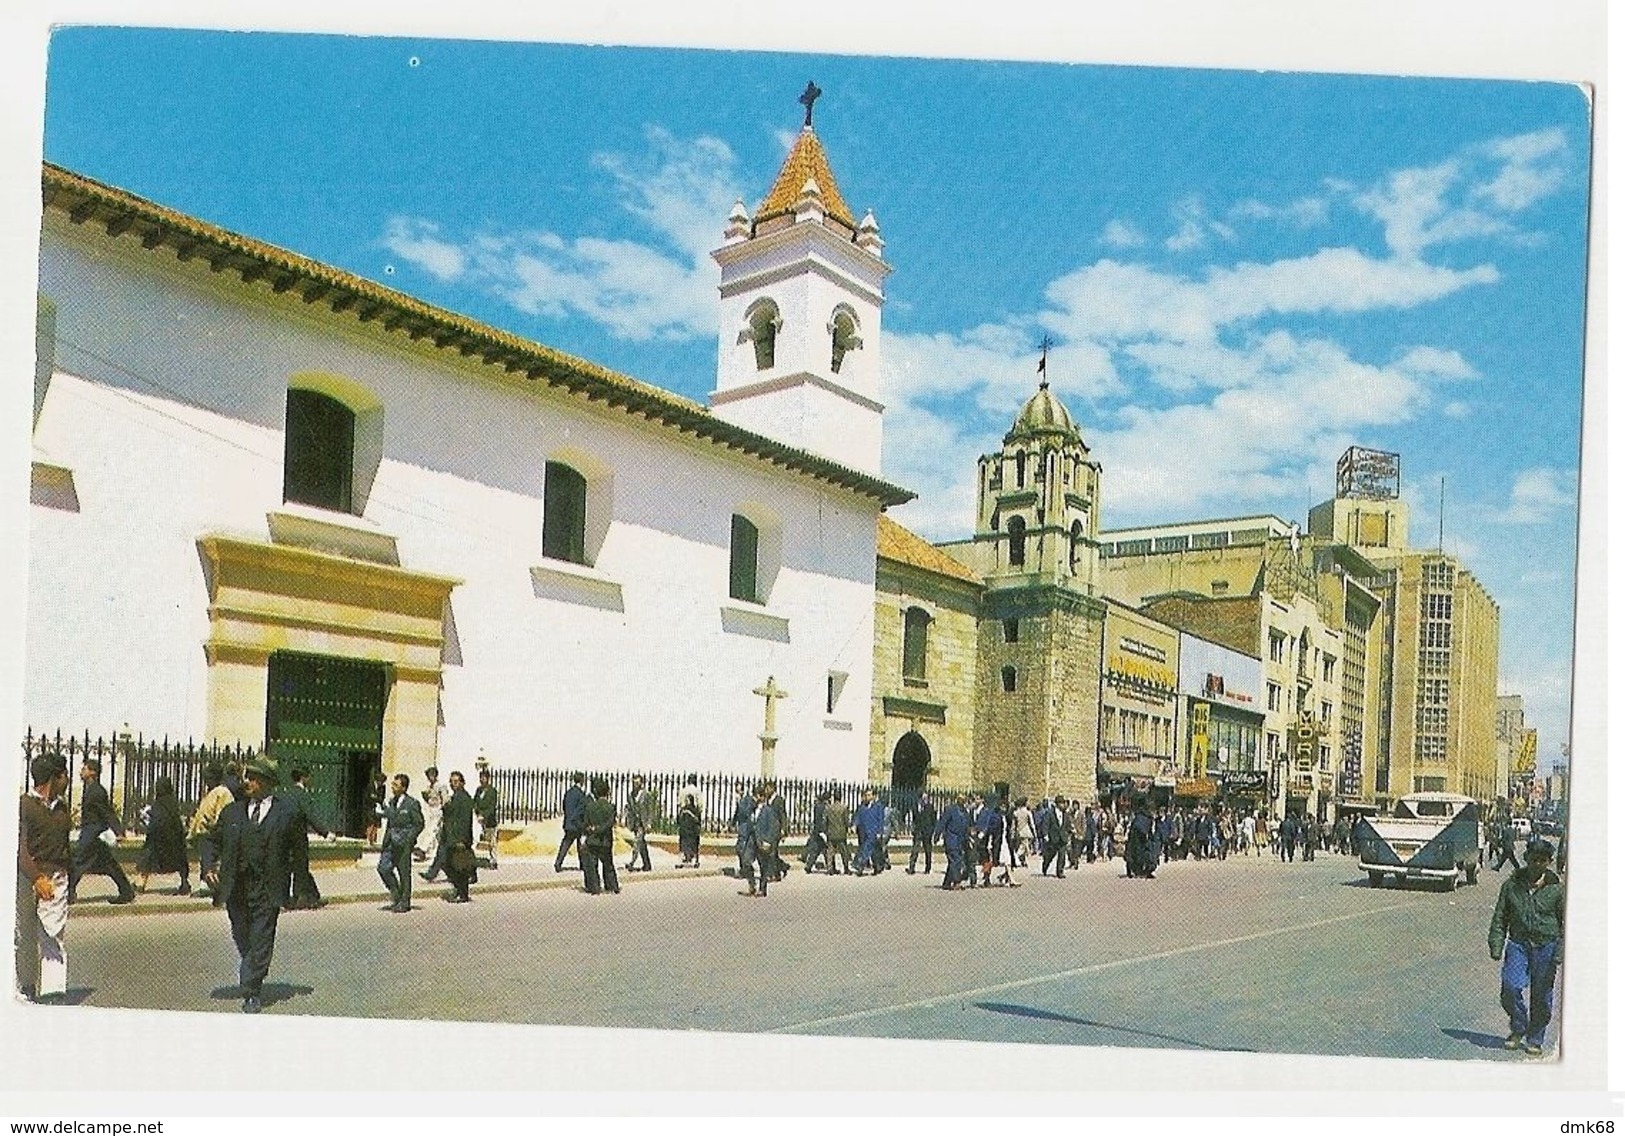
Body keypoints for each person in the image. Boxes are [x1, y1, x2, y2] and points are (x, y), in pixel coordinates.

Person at [214, 756, 299, 1013]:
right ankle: (252, 966)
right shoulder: (232, 812)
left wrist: (301, 887)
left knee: (261, 937)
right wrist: (208, 867)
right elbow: (211, 840)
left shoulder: (286, 813)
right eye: (247, 777)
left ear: (267, 782)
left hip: (268, 886)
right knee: (242, 934)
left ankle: (252, 990)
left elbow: (298, 852)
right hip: (237, 886)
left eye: (253, 778)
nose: (247, 782)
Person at [1488, 838, 1564, 1056]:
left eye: (1542, 860)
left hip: (1546, 946)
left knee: (1541, 995)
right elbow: (1500, 916)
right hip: (1518, 944)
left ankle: (1535, 1037)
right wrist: (1496, 943)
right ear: (1525, 859)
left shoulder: (1557, 890)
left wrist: (1559, 952)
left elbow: (1566, 924)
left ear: (1549, 862)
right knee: (1510, 988)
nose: (1537, 864)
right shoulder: (1511, 886)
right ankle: (1518, 1027)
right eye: (1533, 859)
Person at [17, 753, 72, 1002]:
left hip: (56, 877)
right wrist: (36, 877)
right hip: (28, 877)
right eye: (63, 775)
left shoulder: (62, 808)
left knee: (53, 932)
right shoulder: (25, 805)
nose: (67, 780)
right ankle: (24, 987)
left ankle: (53, 991)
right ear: (54, 777)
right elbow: (20, 847)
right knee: (24, 935)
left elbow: (64, 848)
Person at [66, 757, 135, 905]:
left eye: (84, 769)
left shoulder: (96, 791)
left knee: (78, 861)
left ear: (92, 772)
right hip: (92, 832)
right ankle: (126, 891)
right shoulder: (92, 789)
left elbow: (107, 812)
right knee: (109, 865)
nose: (81, 772)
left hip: (93, 832)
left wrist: (119, 832)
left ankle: (68, 892)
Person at [376, 773, 425, 914]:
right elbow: (390, 817)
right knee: (383, 868)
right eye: (393, 784)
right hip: (390, 842)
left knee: (404, 873)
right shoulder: (391, 802)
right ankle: (396, 893)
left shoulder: (411, 804)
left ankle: (405, 902)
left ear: (404, 788)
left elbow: (419, 824)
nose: (393, 787)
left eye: (396, 785)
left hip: (403, 843)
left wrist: (409, 839)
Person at [282, 767, 329, 910]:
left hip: (285, 835)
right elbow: (311, 816)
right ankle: (299, 897)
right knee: (300, 867)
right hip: (298, 836)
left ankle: (306, 897)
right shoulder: (303, 795)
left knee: (287, 867)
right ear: (304, 777)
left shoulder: (287, 794)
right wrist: (326, 833)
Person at [189, 763, 235, 906]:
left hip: (212, 832)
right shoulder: (212, 792)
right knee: (206, 858)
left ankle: (211, 884)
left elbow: (222, 813)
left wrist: (214, 826)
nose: (206, 781)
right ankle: (207, 882)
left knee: (210, 859)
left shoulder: (222, 792)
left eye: (208, 778)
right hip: (204, 832)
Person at [137, 775, 191, 896]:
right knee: (181, 861)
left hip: (158, 840)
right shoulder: (173, 803)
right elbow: (176, 822)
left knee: (147, 857)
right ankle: (184, 882)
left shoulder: (158, 805)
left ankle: (141, 883)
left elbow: (155, 823)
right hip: (174, 840)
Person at [441, 771, 478, 903]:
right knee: (449, 864)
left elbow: (465, 821)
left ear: (462, 783)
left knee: (459, 867)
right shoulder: (455, 797)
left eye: (456, 781)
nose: (453, 784)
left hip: (459, 838)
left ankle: (463, 893)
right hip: (451, 837)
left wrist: (462, 839)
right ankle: (460, 890)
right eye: (451, 781)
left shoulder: (464, 798)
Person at [580, 777, 620, 896]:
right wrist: (599, 829)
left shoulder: (590, 807)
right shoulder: (611, 807)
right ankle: (612, 885)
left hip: (592, 840)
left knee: (592, 865)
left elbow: (585, 824)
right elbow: (609, 824)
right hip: (605, 840)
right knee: (608, 864)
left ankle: (594, 886)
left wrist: (592, 830)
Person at [750, 785, 783, 898]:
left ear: (762, 797)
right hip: (754, 841)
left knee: (764, 866)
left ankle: (762, 888)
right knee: (751, 863)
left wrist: (768, 841)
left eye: (757, 796)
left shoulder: (768, 810)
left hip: (763, 842)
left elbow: (772, 827)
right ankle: (754, 886)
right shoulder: (753, 809)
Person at [417, 767, 448, 873]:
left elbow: (445, 799)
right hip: (430, 810)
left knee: (432, 830)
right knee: (437, 834)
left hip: (437, 810)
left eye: (431, 775)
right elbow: (426, 797)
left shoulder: (440, 786)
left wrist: (443, 810)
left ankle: (423, 849)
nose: (430, 778)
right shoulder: (429, 787)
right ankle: (439, 854)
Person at [555, 772, 587, 873]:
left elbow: (564, 806)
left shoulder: (568, 792)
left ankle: (558, 862)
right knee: (580, 845)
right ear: (582, 781)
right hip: (577, 823)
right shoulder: (581, 794)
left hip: (568, 822)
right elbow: (582, 809)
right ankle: (583, 864)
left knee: (566, 843)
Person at [936, 794, 969, 889]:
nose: (962, 801)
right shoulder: (950, 810)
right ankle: (956, 882)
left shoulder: (965, 812)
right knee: (956, 860)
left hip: (960, 840)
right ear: (957, 800)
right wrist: (937, 835)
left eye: (964, 799)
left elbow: (968, 825)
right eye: (960, 799)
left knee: (953, 862)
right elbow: (942, 822)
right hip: (951, 839)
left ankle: (946, 883)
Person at [473, 767, 500, 870]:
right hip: (479, 819)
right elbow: (475, 802)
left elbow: (492, 806)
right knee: (476, 839)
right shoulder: (478, 790)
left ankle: (493, 860)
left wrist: (484, 815)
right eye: (481, 778)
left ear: (488, 779)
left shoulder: (492, 791)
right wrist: (477, 812)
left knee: (491, 842)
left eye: (484, 778)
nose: (482, 780)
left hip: (489, 820)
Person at [624, 775, 653, 873]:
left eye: (637, 783)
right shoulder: (631, 795)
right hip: (635, 823)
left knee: (637, 842)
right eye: (633, 783)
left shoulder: (646, 794)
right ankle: (647, 864)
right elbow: (629, 808)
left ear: (641, 783)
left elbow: (650, 809)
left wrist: (649, 823)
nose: (635, 785)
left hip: (642, 822)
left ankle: (632, 862)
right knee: (641, 844)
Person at [854, 789, 885, 876]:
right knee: (867, 850)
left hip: (873, 832)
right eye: (866, 795)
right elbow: (857, 817)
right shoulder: (862, 807)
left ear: (873, 796)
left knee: (870, 851)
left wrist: (880, 831)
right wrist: (854, 825)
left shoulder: (878, 807)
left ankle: (862, 867)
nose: (867, 797)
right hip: (864, 832)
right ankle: (872, 866)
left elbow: (881, 819)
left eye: (869, 795)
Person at [823, 792, 853, 875]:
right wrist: (848, 828)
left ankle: (830, 868)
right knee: (844, 852)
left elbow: (825, 820)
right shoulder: (844, 807)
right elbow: (846, 821)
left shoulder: (828, 808)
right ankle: (846, 868)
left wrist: (826, 830)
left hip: (831, 832)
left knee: (830, 851)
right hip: (841, 832)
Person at [732, 787, 757, 886]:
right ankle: (744, 868)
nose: (738, 793)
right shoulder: (741, 800)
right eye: (736, 791)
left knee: (742, 848)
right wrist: (733, 823)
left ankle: (745, 869)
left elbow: (746, 813)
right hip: (741, 826)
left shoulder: (748, 800)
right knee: (740, 848)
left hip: (746, 827)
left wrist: (739, 802)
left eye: (739, 790)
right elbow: (737, 813)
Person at [907, 792, 937, 875]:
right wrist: (913, 828)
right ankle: (911, 867)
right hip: (918, 830)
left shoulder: (930, 807)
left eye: (926, 798)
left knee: (928, 850)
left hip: (927, 831)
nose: (925, 800)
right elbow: (913, 819)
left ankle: (928, 867)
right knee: (915, 849)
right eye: (924, 798)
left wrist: (932, 830)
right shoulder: (915, 807)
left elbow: (933, 820)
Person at [677, 777, 703, 869]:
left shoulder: (683, 791)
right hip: (694, 816)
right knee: (694, 838)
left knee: (684, 838)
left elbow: (679, 803)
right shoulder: (697, 791)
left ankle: (684, 856)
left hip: (684, 817)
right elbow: (700, 806)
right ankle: (694, 857)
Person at [802, 791, 829, 873]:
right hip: (821, 831)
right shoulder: (824, 807)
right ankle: (830, 867)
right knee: (825, 849)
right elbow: (823, 820)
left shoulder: (817, 806)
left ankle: (809, 865)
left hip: (816, 831)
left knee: (817, 850)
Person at [365, 767, 388, 847]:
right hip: (370, 807)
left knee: (376, 824)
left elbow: (381, 797)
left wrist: (378, 800)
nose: (382, 783)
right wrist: (375, 798)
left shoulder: (382, 788)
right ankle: (368, 839)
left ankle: (373, 840)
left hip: (378, 808)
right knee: (370, 823)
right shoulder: (370, 786)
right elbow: (368, 797)